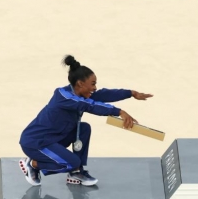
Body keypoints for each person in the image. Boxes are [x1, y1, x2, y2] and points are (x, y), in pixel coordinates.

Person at [18, 55, 152, 187]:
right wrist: (120, 112)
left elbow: (103, 94)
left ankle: (76, 173)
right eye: (93, 84)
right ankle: (34, 164)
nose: (95, 88)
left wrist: (131, 93)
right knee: (72, 163)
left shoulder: (82, 93)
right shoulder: (63, 95)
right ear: (80, 84)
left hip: (55, 138)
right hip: (36, 142)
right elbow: (89, 105)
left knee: (84, 128)